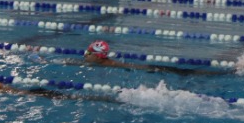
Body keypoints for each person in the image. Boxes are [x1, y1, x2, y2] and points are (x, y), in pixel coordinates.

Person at [81, 39, 226, 76]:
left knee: (185, 72)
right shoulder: (104, 62)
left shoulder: (109, 65)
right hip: (148, 68)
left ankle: (225, 72)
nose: (85, 55)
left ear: (98, 56)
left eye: (88, 53)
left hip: (149, 69)